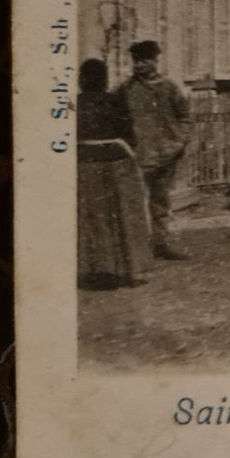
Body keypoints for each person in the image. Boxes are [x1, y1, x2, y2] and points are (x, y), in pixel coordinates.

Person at [77, 58, 153, 287]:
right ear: (104, 80)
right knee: (124, 215)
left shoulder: (73, 103)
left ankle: (91, 269)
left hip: (84, 163)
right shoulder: (114, 102)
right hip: (117, 162)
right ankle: (129, 270)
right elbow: (130, 134)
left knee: (90, 215)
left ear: (82, 80)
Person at [115, 39, 191, 260]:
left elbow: (185, 118)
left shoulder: (169, 88)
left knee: (161, 201)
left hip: (166, 154)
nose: (139, 65)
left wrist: (178, 143)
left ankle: (162, 244)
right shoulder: (125, 90)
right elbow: (116, 119)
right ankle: (137, 249)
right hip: (137, 155)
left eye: (144, 60)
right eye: (136, 61)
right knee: (135, 201)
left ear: (155, 61)